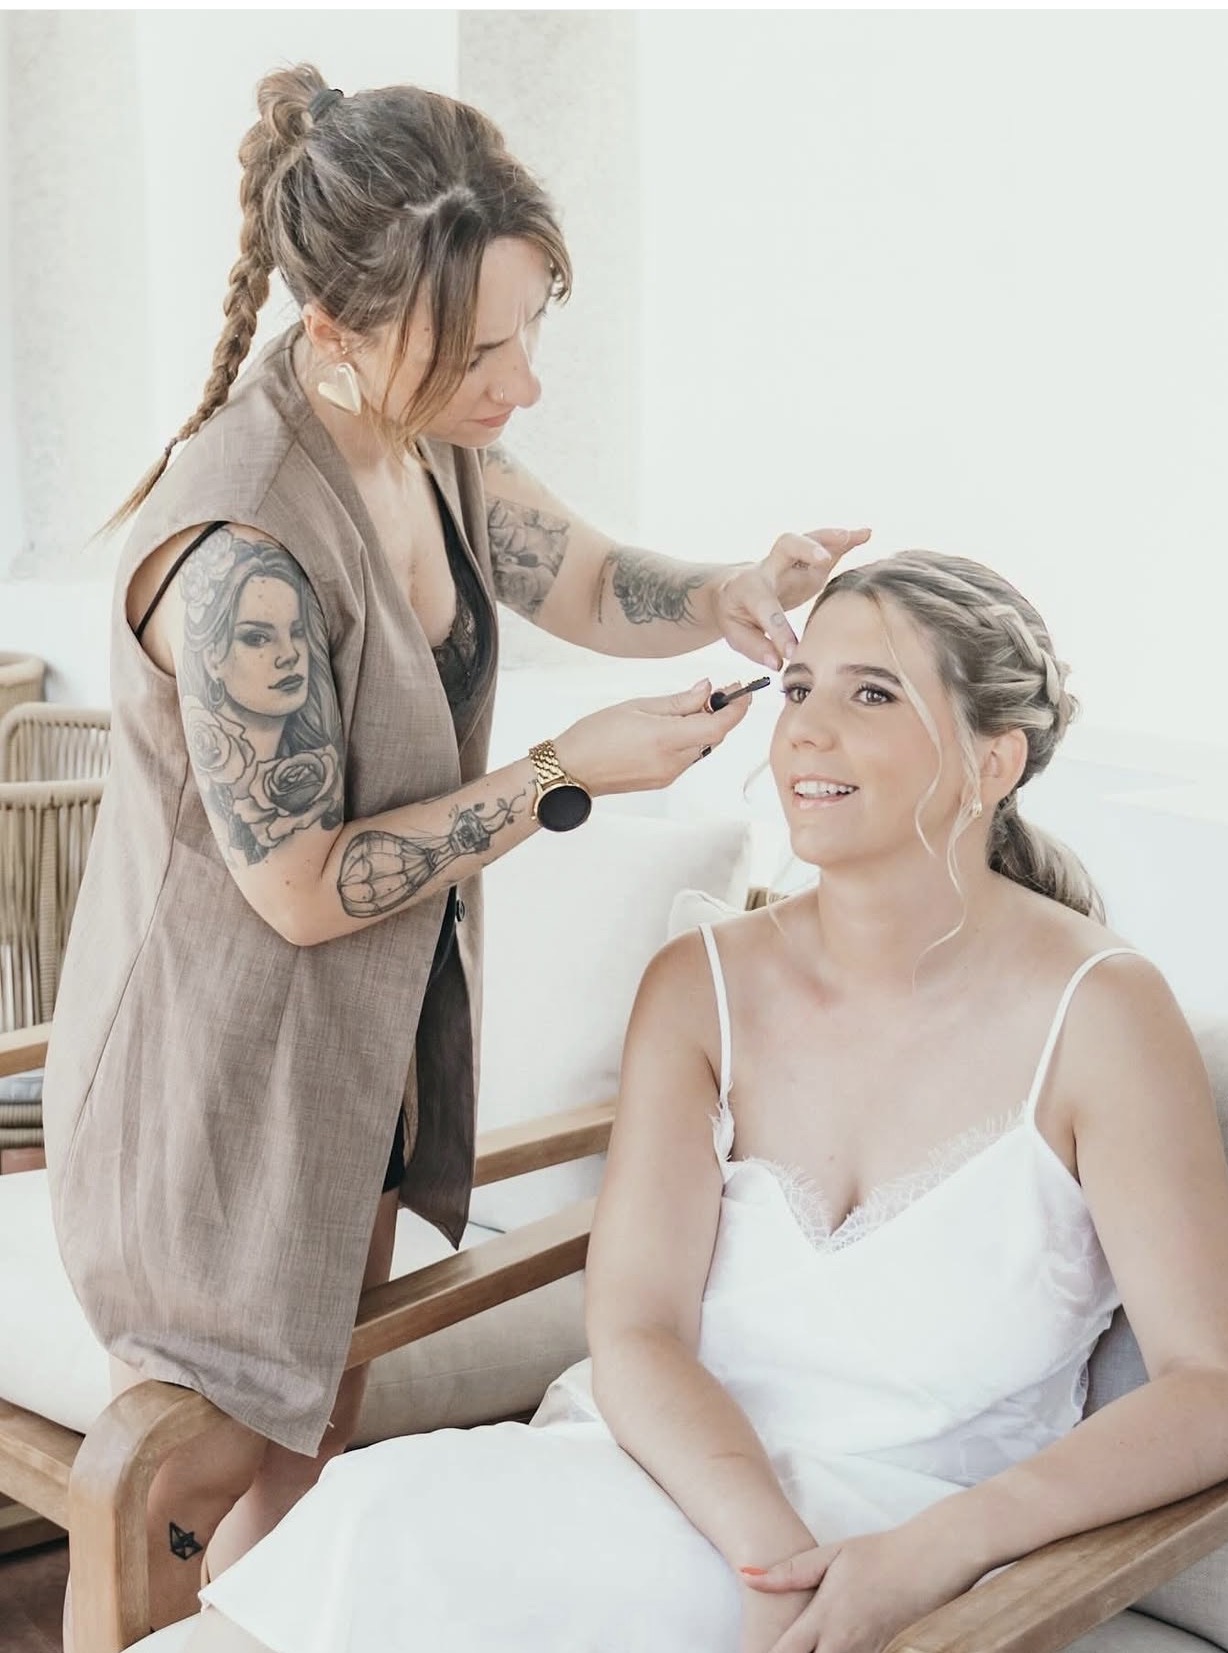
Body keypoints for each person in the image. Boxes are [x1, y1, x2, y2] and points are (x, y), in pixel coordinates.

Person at [41, 63, 870, 1635]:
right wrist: (564, 774)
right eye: (485, 350)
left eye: (530, 329)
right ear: (337, 331)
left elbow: (582, 577)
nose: (523, 382)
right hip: (210, 1094)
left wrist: (732, 591)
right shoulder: (242, 554)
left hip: (348, 1069)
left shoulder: (423, 436)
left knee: (308, 1459)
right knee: (177, 1495)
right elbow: (298, 888)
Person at [185, 550, 1228, 1653]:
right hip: (669, 1485)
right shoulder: (701, 985)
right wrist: (766, 1554)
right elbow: (638, 1327)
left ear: (994, 760)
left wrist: (939, 1550)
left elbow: (1219, 1387)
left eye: (872, 694)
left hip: (916, 1544)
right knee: (383, 1514)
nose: (805, 731)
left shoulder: (1102, 1015)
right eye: (799, 688)